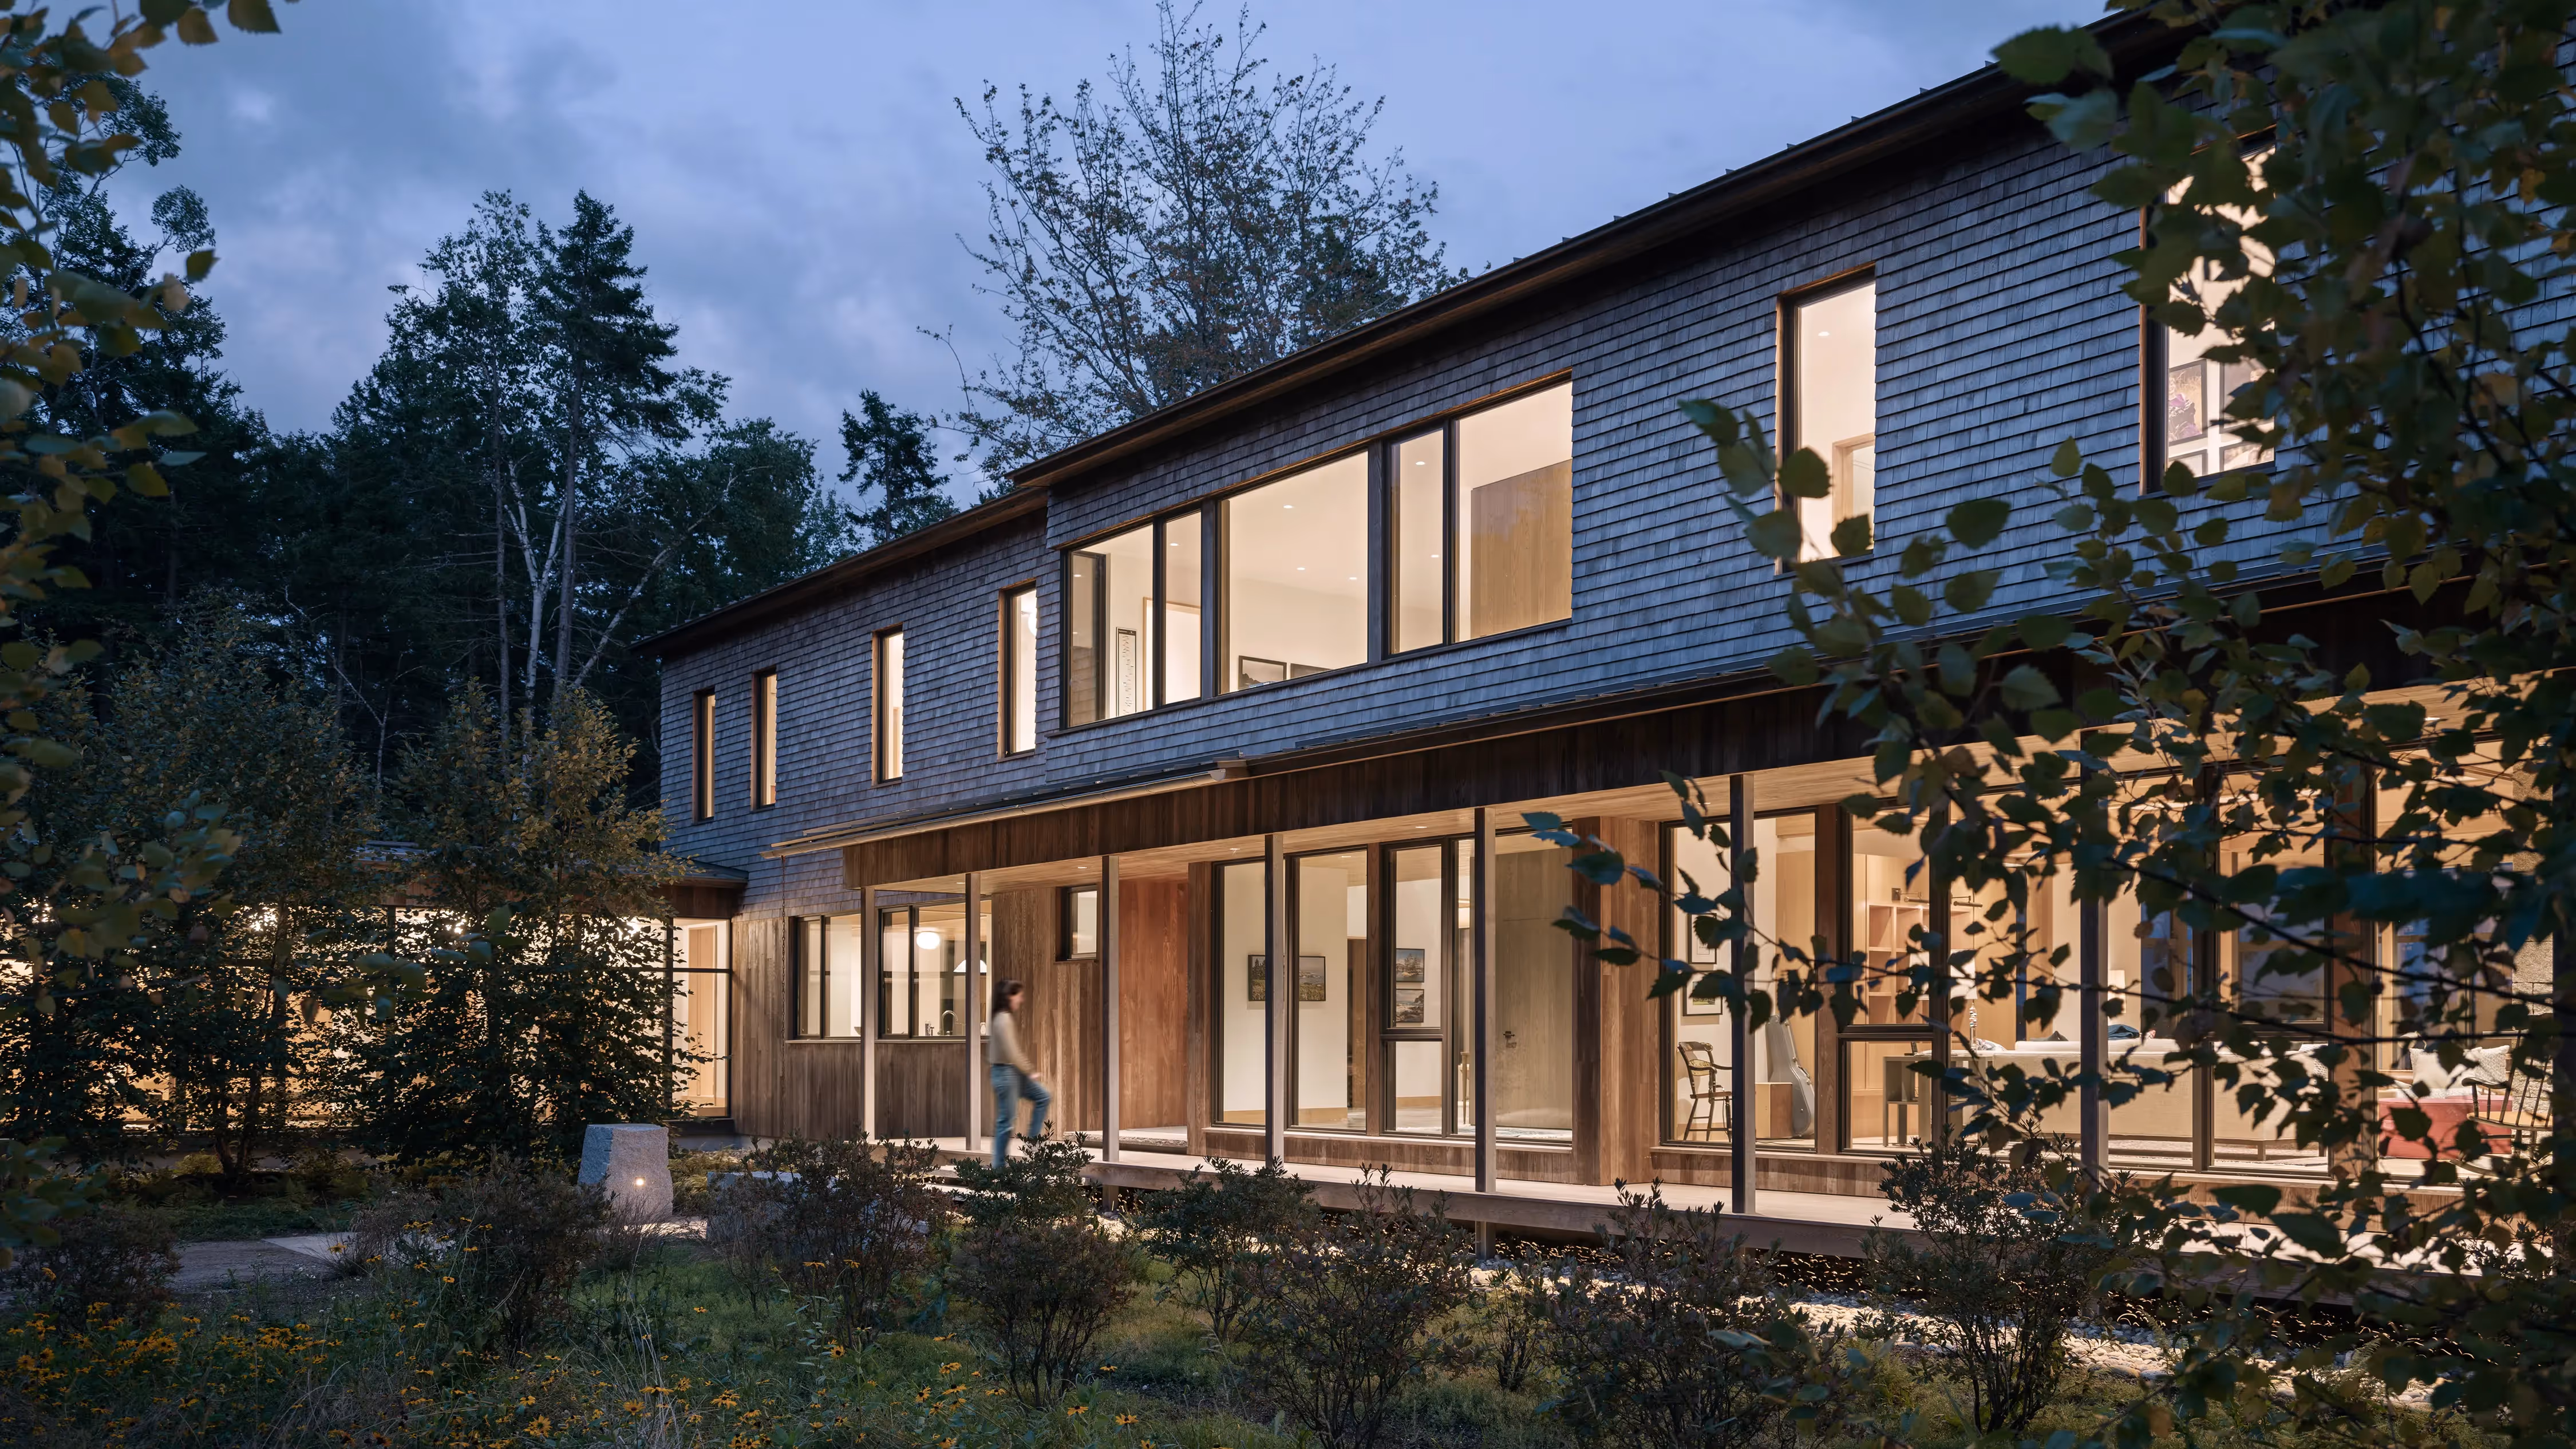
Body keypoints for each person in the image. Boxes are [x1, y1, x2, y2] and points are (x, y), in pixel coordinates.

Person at [988, 978, 1051, 1167]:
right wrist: (1029, 1071)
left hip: (1012, 1073)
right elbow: (1012, 1052)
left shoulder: (1002, 1018)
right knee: (1005, 1122)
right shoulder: (1003, 1019)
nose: (1021, 1001)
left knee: (1043, 1097)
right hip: (1006, 1073)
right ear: (1009, 996)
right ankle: (999, 1169)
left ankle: (1033, 1147)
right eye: (1019, 996)